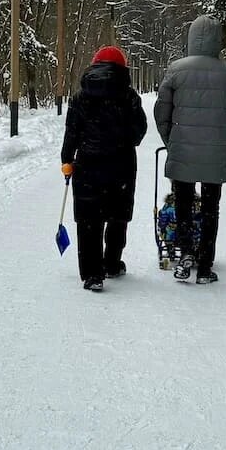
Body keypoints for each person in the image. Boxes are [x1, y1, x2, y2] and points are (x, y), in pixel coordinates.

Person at [153, 14, 226, 284]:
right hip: (214, 151)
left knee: (182, 202)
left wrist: (171, 139)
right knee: (210, 208)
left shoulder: (177, 69)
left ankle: (184, 255)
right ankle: (205, 265)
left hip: (182, 148)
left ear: (192, 38)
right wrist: (220, 136)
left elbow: (162, 110)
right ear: (218, 40)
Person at [61, 46, 148, 292]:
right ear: (122, 68)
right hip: (121, 165)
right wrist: (123, 140)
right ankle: (111, 263)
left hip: (88, 164)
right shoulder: (129, 96)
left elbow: (72, 132)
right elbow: (139, 131)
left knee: (89, 219)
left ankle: (91, 274)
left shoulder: (80, 97)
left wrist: (67, 159)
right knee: (118, 215)